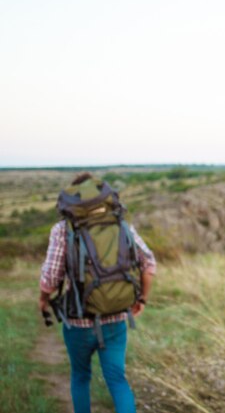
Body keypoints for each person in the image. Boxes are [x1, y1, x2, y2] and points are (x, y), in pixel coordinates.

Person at [39, 172, 156, 413]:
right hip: (115, 318)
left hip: (78, 321)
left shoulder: (62, 229)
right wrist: (142, 298)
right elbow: (149, 264)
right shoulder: (122, 225)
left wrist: (43, 299)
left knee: (80, 377)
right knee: (117, 380)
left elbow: (50, 278)